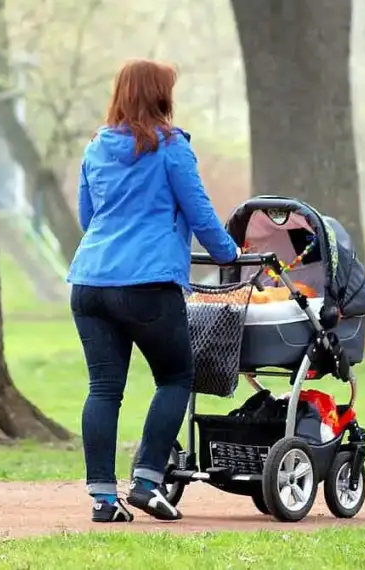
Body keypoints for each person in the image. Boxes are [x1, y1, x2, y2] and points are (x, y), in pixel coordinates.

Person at [67, 58, 238, 523]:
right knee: (176, 378)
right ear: (160, 96)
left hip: (89, 282)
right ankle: (146, 482)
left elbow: (89, 218)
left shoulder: (96, 148)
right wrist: (230, 255)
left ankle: (103, 500)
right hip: (146, 284)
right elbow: (201, 214)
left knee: (103, 389)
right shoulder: (171, 148)